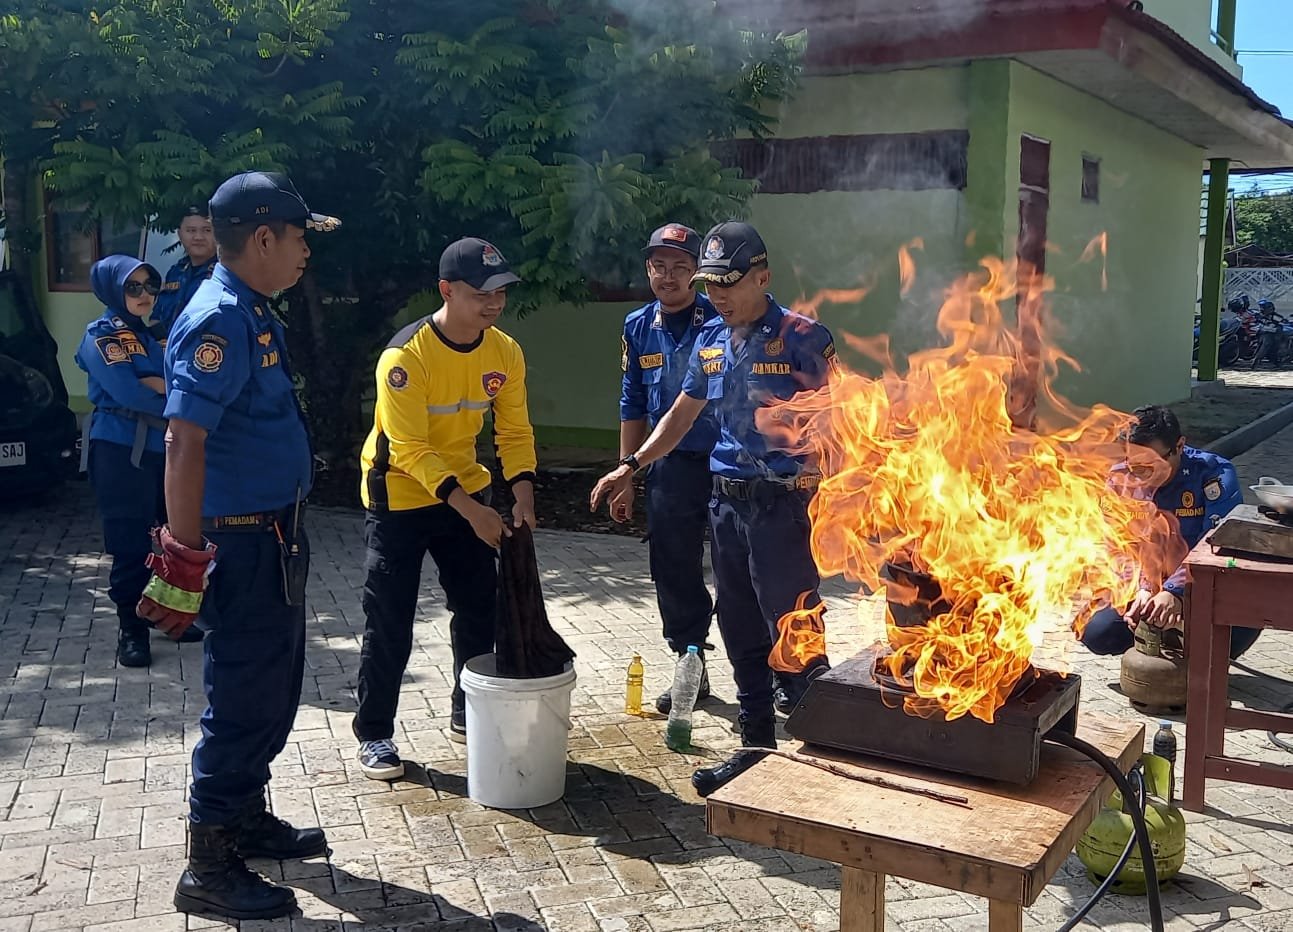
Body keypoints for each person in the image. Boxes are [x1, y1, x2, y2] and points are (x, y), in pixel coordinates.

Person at [137, 171, 339, 921]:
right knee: (243, 702)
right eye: (298, 239)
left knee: (271, 692)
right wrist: (185, 556)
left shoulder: (250, 308)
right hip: (240, 545)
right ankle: (209, 864)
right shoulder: (218, 316)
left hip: (273, 538)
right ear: (262, 238)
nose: (304, 255)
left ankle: (245, 817)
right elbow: (183, 440)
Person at [591, 221, 835, 796]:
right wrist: (632, 465)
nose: (719, 294)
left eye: (730, 282)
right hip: (728, 504)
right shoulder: (712, 341)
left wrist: (837, 495)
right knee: (738, 624)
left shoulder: (803, 337)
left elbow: (838, 419)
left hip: (784, 505)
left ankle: (825, 742)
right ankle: (755, 746)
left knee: (795, 622)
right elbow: (678, 414)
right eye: (713, 283)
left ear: (763, 276)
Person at [352, 237, 538, 781]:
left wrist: (522, 489)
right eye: (481, 293)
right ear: (446, 291)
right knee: (390, 618)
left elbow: (514, 428)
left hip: (466, 493)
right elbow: (408, 449)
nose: (493, 303)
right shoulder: (405, 358)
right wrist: (471, 509)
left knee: (479, 607)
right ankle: (376, 735)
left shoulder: (504, 351)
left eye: (501, 291)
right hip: (400, 498)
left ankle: (468, 710)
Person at [618, 223, 719, 713]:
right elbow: (631, 401)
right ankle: (689, 667)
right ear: (648, 270)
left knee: (743, 570)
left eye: (681, 266)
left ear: (697, 272)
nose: (669, 276)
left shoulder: (720, 318)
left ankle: (776, 672)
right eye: (660, 266)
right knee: (673, 570)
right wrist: (625, 475)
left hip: (726, 463)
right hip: (668, 466)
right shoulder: (638, 326)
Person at [1080, 404, 1260, 660]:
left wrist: (1175, 593)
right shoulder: (1120, 479)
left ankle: (1181, 630)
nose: (1141, 476)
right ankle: (1160, 630)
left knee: (1238, 632)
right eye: (1133, 464)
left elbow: (1215, 544)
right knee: (1095, 631)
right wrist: (1140, 589)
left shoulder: (1213, 474)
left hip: (1204, 585)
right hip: (1146, 583)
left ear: (1179, 446)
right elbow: (1117, 545)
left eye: (1151, 465)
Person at [75, 256, 177, 668]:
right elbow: (129, 393)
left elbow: (181, 382)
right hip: (120, 448)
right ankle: (130, 630)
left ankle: (169, 615)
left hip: (165, 447)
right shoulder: (100, 335)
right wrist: (166, 383)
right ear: (112, 290)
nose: (144, 295)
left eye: (149, 286)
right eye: (132, 287)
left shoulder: (154, 336)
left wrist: (155, 380)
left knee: (174, 537)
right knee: (130, 543)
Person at [151, 206, 217, 340]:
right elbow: (157, 318)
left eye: (207, 230)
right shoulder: (176, 272)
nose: (198, 237)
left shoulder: (225, 274)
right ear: (180, 234)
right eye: (191, 230)